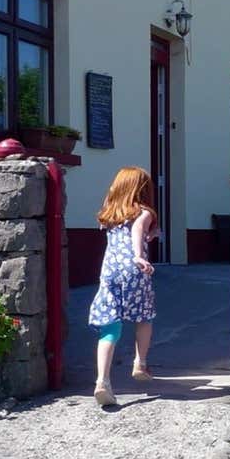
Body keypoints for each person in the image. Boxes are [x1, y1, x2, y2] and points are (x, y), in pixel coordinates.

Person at [89, 167, 159, 406]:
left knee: (111, 326)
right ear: (142, 190)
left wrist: (151, 234)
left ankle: (102, 382)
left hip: (110, 272)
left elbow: (129, 231)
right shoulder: (145, 212)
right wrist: (139, 255)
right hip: (134, 270)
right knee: (144, 316)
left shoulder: (109, 215)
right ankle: (141, 362)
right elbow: (138, 229)